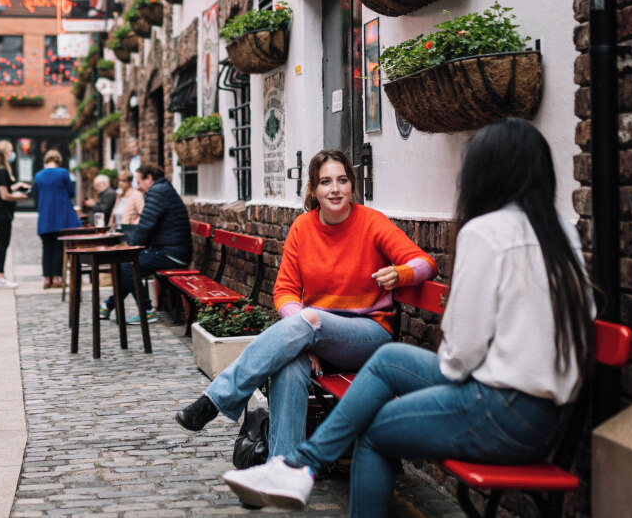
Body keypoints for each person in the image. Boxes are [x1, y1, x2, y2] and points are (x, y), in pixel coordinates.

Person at [220, 120, 596, 515]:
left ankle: (297, 467)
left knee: (375, 430)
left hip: (501, 412)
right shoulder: (562, 234)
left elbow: (458, 358)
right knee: (386, 361)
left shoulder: (485, 232)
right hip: (550, 416)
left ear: (483, 175)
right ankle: (297, 467)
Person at [174, 149, 437, 463]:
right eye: (325, 182)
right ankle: (281, 468)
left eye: (342, 180)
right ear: (313, 190)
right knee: (290, 363)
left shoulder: (372, 223)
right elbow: (285, 291)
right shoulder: (302, 227)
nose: (335, 189)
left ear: (352, 186)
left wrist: (402, 273)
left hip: (367, 336)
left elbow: (426, 263)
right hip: (314, 333)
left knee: (309, 319)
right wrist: (305, 339)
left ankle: (215, 399)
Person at [104, 164, 192, 324]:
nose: (138, 187)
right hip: (170, 250)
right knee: (125, 267)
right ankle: (109, 304)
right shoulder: (163, 189)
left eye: (139, 182)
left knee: (126, 267)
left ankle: (146, 310)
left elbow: (145, 225)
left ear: (149, 178)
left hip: (172, 254)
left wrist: (130, 249)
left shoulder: (157, 192)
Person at [31, 149, 80, 290]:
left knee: (47, 248)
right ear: (59, 160)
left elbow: (36, 194)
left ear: (46, 160)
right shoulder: (63, 173)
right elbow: (71, 192)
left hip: (45, 216)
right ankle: (57, 278)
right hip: (61, 216)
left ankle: (47, 279)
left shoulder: (38, 175)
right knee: (59, 248)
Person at [0, 141, 31, 289]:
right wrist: (18, 196)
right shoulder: (3, 171)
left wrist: (16, 186)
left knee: (3, 242)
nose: (12, 154)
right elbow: (4, 195)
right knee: (3, 243)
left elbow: (4, 188)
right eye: (10, 151)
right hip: (2, 210)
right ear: (5, 154)